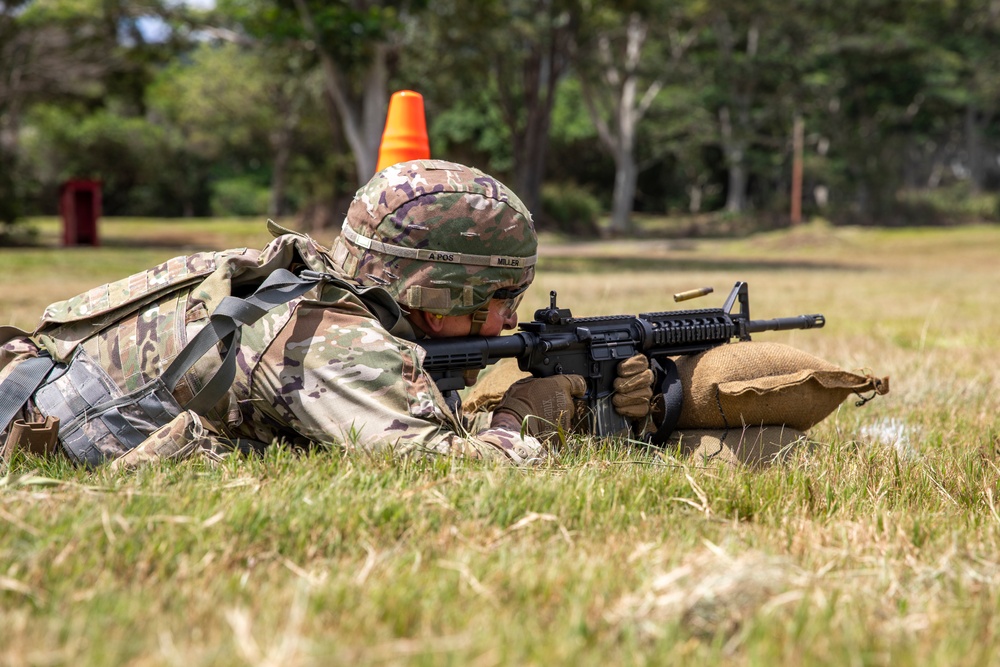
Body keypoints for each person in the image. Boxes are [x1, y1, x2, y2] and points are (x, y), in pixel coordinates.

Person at [0, 160, 653, 469]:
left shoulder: (304, 285)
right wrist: (517, 415)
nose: (510, 320)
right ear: (442, 289)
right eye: (501, 298)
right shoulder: (336, 340)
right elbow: (451, 475)